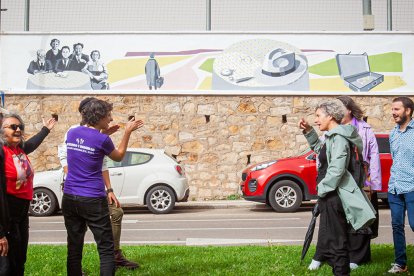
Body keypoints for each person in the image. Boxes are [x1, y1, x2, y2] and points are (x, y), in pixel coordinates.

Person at [62, 98, 143, 275]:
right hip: (92, 199)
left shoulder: (72, 133)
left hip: (69, 197)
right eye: (108, 116)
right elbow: (119, 156)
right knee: (106, 249)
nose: (111, 119)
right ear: (98, 117)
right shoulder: (101, 140)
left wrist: (104, 134)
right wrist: (127, 132)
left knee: (74, 247)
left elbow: (88, 144)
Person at [299, 100, 376, 276]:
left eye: (318, 116)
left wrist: (321, 190)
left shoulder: (339, 137)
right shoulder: (334, 137)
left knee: (337, 241)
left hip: (335, 196)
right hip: (332, 195)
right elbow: (321, 151)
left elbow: (336, 170)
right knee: (335, 239)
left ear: (331, 116)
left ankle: (341, 273)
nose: (316, 120)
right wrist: (309, 131)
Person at [1, 113, 55, 276]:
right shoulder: (2, 152)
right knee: (5, 266)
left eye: (20, 127)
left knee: (19, 260)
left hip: (22, 213)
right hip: (6, 214)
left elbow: (32, 143)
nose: (18, 130)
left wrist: (46, 129)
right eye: (12, 127)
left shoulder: (18, 150)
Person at [386, 96, 414, 274]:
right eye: (392, 109)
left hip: (412, 186)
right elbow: (395, 160)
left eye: (397, 109)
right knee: (397, 226)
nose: (393, 113)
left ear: (408, 111)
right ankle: (400, 263)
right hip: (394, 187)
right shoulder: (393, 133)